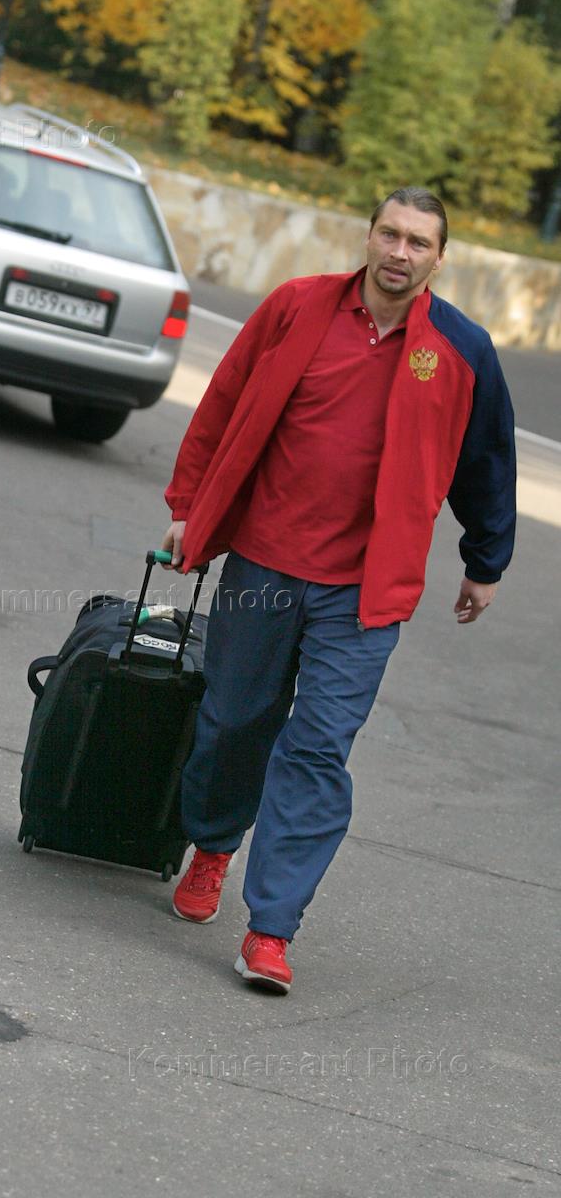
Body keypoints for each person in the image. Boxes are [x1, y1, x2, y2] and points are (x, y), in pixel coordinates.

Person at [160, 186, 516, 995]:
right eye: (389, 234)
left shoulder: (461, 350)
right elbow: (223, 402)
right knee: (233, 720)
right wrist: (188, 505)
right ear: (368, 237)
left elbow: (487, 457)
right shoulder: (298, 307)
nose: (399, 252)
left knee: (318, 749)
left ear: (439, 259)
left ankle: (271, 929)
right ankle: (213, 845)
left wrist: (485, 558)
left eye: (418, 242)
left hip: (363, 591)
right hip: (263, 563)